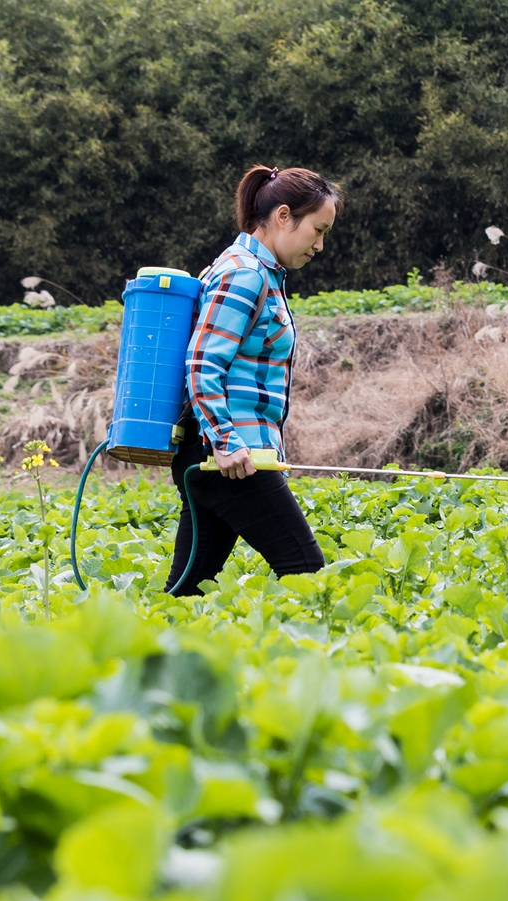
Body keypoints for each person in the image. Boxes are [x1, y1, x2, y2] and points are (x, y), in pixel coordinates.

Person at [165, 164, 342, 595]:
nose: (319, 245)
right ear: (283, 217)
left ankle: (140, 656)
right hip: (228, 457)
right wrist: (225, 442)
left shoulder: (258, 273)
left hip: (217, 457)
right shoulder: (244, 273)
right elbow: (202, 363)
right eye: (316, 231)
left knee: (188, 592)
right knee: (305, 568)